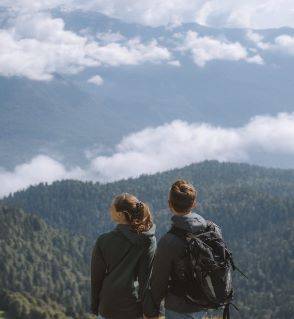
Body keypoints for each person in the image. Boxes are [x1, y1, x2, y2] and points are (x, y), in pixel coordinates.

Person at [144, 180, 222, 319]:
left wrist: (151, 310)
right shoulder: (212, 229)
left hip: (178, 307)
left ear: (169, 204)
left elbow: (158, 282)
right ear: (194, 203)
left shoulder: (168, 241)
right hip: (205, 302)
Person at [91, 193, 156, 319]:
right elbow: (146, 280)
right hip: (134, 307)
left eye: (112, 208)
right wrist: (149, 312)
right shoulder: (148, 240)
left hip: (108, 306)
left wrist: (95, 306)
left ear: (120, 214)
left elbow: (96, 279)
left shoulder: (104, 241)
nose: (109, 210)